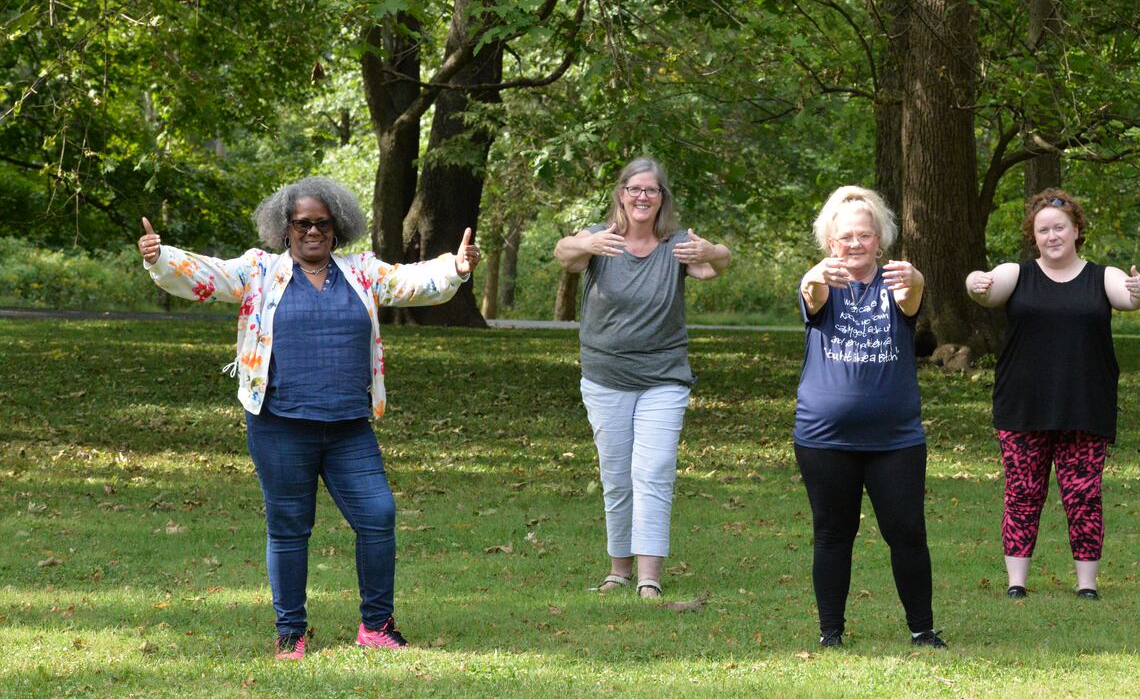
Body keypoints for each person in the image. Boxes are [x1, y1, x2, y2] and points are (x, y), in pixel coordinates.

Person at [138, 177, 479, 660]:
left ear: (337, 228)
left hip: (348, 427)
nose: (313, 231)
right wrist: (161, 257)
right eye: (302, 223)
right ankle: (291, 632)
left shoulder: (361, 271)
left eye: (322, 223)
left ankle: (377, 625)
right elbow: (207, 275)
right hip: (279, 424)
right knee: (289, 527)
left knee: (378, 517)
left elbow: (411, 282)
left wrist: (456, 268)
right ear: (285, 228)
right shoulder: (260, 271)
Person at [554, 158, 730, 599]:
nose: (642, 197)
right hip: (605, 375)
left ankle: (649, 576)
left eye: (651, 191)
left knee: (653, 471)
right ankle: (619, 570)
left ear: (662, 198)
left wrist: (709, 252)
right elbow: (563, 254)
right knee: (616, 475)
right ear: (621, 194)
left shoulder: (677, 243)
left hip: (663, 377)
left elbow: (716, 263)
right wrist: (588, 245)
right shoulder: (600, 238)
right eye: (635, 189)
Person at [965, 189, 1140, 601]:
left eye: (1059, 227)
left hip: (1085, 403)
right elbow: (986, 291)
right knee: (1022, 492)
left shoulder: (1101, 276)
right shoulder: (1017, 274)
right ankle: (1017, 582)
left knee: (1083, 495)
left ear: (1076, 230)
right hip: (1022, 403)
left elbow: (1132, 295)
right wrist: (973, 282)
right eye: (1043, 229)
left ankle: (1087, 585)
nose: (1052, 236)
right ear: (1034, 236)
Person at [794, 186, 945, 649]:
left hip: (895, 438)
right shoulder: (819, 281)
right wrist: (816, 276)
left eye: (865, 235)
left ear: (880, 239)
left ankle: (922, 630)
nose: (855, 244)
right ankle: (830, 634)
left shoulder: (898, 282)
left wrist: (916, 279)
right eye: (845, 237)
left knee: (907, 532)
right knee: (833, 533)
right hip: (824, 437)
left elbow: (912, 300)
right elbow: (812, 295)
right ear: (829, 242)